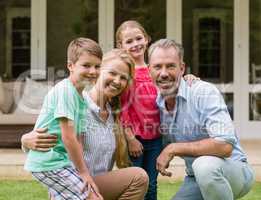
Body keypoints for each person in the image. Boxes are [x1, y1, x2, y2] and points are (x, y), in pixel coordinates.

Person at [22, 47, 149, 200]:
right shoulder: (77, 104)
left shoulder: (117, 114)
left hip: (97, 185)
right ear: (98, 72)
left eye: (123, 77)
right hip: (77, 184)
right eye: (112, 73)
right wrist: (25, 141)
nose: (117, 81)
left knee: (138, 177)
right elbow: (53, 134)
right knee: (138, 176)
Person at [147, 39, 255, 200]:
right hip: (195, 178)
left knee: (204, 166)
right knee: (200, 168)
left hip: (232, 169)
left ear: (182, 68)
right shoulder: (154, 103)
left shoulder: (203, 92)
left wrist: (173, 148)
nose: (163, 73)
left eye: (170, 66)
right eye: (157, 67)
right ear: (149, 71)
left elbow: (224, 145)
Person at [115, 20, 198, 200]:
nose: (135, 44)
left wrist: (188, 77)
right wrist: (130, 139)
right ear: (120, 45)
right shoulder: (124, 73)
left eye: (139, 38)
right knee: (134, 183)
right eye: (129, 41)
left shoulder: (156, 69)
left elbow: (173, 85)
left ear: (146, 39)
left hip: (156, 139)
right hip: (134, 139)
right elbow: (121, 110)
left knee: (151, 185)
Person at [24, 37, 103, 200]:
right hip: (49, 162)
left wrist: (80, 168)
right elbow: (69, 137)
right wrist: (83, 173)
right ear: (70, 66)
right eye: (86, 65)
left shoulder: (80, 96)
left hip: (60, 162)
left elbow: (79, 138)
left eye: (97, 66)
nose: (93, 71)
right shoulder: (66, 91)